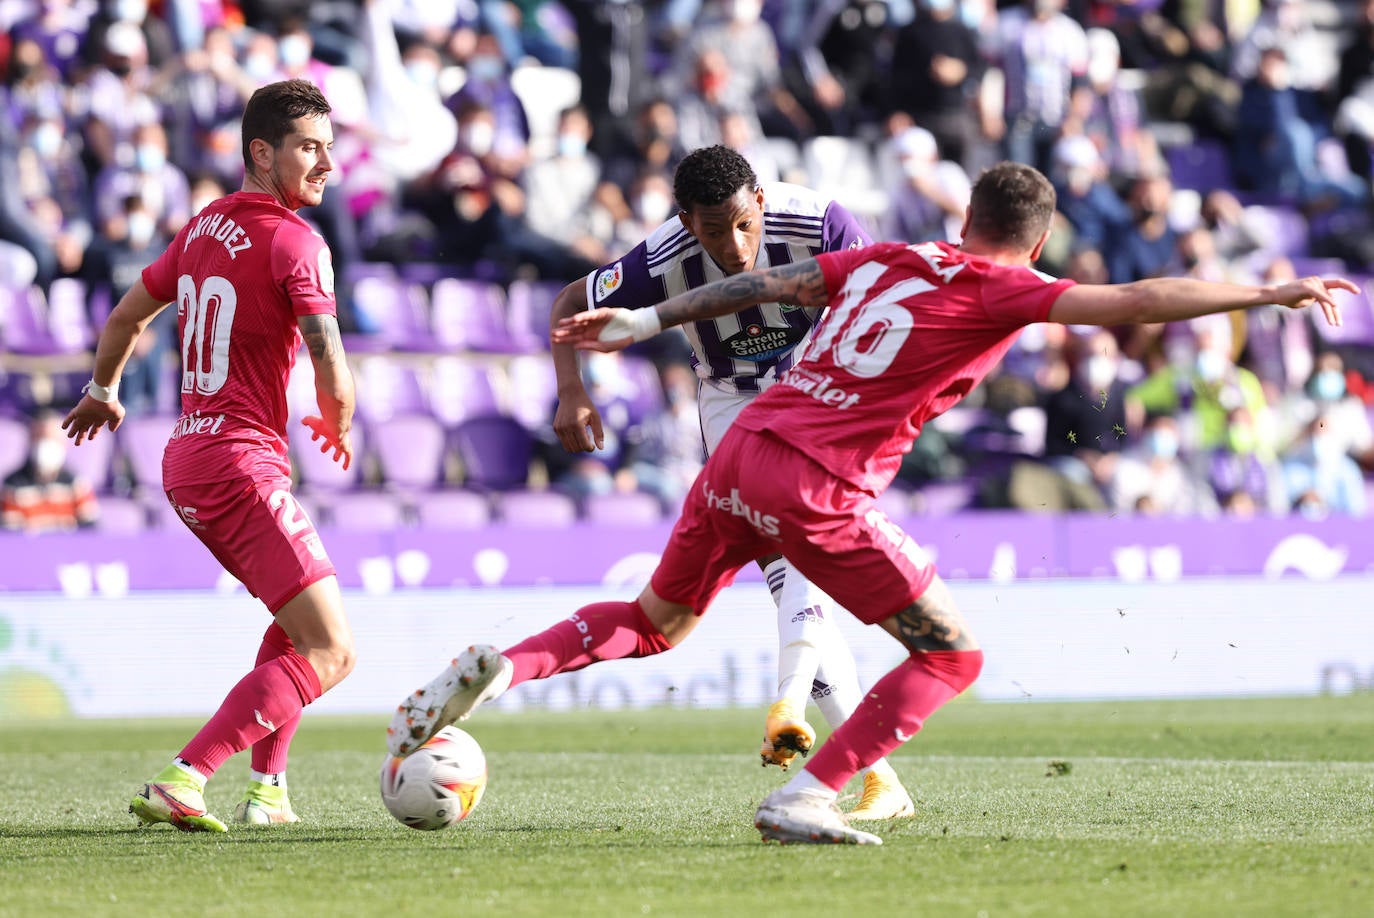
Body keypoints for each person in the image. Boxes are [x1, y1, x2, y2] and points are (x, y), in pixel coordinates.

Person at [387, 161, 1352, 845]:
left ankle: (501, 668)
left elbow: (765, 283)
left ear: (966, 210)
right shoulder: (1003, 290)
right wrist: (1266, 292)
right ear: (1041, 239)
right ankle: (814, 793)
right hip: (815, 483)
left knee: (654, 622)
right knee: (953, 652)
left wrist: (646, 318)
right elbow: (1138, 299)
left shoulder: (889, 255)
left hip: (738, 450)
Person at [516, 144, 917, 820]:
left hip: (816, 394)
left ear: (760, 200)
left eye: (742, 224)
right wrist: (569, 392)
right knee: (792, 574)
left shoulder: (819, 223)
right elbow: (566, 304)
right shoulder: (660, 257)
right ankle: (873, 775)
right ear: (685, 221)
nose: (733, 245)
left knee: (799, 573)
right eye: (712, 231)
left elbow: (885, 303)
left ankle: (856, 760)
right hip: (731, 406)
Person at [61, 78, 357, 833]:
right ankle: (186, 776)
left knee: (296, 628)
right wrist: (340, 419)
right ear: (262, 153)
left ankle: (268, 792)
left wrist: (103, 388)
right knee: (332, 651)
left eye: (329, 147)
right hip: (236, 461)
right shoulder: (298, 242)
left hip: (190, 455)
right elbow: (329, 359)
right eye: (308, 148)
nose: (327, 164)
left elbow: (128, 313)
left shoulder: (201, 229)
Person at [1, 408, 100, 533]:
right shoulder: (13, 485)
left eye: (52, 438)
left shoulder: (76, 484)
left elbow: (92, 529)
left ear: (63, 443)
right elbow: (11, 535)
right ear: (30, 441)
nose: (46, 444)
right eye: (40, 438)